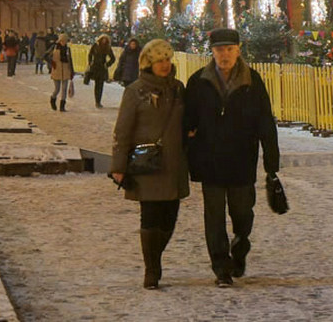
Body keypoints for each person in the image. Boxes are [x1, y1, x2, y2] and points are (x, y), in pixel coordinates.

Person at [184, 28, 281, 287]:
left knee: (243, 213)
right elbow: (187, 121)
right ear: (212, 52)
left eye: (229, 49)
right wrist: (190, 152)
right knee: (213, 218)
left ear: (239, 50)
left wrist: (272, 162)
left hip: (242, 160)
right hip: (210, 161)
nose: (224, 54)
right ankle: (221, 268)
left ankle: (241, 243)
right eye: (219, 49)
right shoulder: (198, 81)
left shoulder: (252, 81)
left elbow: (265, 122)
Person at [110, 38, 189, 290]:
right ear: (148, 63)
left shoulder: (178, 88)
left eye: (167, 59)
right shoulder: (135, 91)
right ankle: (152, 270)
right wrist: (118, 166)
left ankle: (155, 258)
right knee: (150, 217)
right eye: (159, 61)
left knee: (169, 220)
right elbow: (122, 131)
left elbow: (188, 120)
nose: (164, 65)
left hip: (174, 164)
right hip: (148, 165)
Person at [85, 34, 117, 108]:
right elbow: (90, 54)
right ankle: (97, 101)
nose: (104, 41)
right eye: (103, 39)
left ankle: (98, 101)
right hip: (95, 67)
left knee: (100, 85)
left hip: (102, 68)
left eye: (105, 40)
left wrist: (107, 64)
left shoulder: (108, 48)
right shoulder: (95, 46)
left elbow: (113, 58)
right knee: (97, 85)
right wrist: (90, 62)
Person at [48, 33, 75, 111]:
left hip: (66, 70)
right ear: (59, 40)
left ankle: (62, 106)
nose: (64, 42)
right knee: (57, 89)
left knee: (64, 89)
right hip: (56, 70)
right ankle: (52, 99)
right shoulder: (54, 47)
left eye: (65, 41)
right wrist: (52, 63)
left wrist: (72, 71)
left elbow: (70, 60)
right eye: (62, 41)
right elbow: (46, 56)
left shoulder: (67, 49)